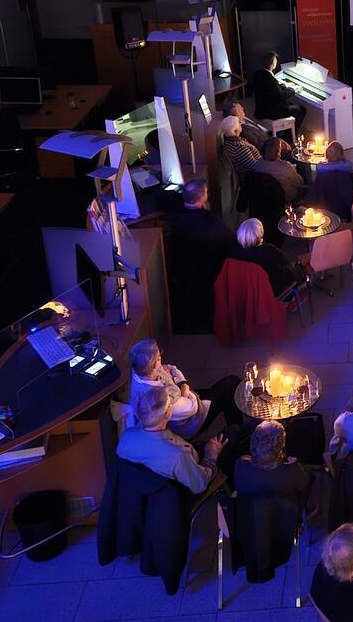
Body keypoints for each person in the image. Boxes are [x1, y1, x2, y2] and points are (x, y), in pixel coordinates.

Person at [128, 338, 242, 440]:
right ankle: (237, 433)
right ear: (154, 364)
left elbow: (172, 368)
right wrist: (184, 387)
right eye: (159, 357)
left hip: (187, 398)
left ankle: (235, 428)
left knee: (229, 386)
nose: (161, 358)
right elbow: (192, 407)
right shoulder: (159, 399)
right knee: (231, 386)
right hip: (192, 420)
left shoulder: (141, 370)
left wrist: (183, 384)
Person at [117, 386, 222, 494]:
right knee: (232, 433)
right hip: (189, 483)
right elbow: (200, 484)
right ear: (167, 413)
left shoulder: (126, 436)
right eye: (170, 403)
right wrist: (211, 456)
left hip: (145, 487)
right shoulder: (178, 455)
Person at [168, 179, 235, 332]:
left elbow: (166, 197)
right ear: (202, 198)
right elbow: (230, 242)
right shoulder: (212, 222)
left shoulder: (175, 214)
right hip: (208, 271)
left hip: (183, 270)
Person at [233, 419, 313, 511]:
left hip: (250, 516)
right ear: (281, 446)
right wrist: (295, 465)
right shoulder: (291, 470)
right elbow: (305, 485)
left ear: (253, 441)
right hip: (284, 518)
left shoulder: (240, 465)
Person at [231, 217, 302, 296]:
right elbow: (287, 261)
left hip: (250, 292)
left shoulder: (236, 253)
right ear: (260, 234)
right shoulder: (269, 250)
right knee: (299, 268)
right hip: (273, 291)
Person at [250, 51, 306, 128]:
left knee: (291, 105)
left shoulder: (259, 74)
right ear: (272, 63)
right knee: (301, 110)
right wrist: (293, 89)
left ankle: (284, 131)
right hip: (271, 112)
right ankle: (289, 136)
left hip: (262, 109)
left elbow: (272, 89)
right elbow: (281, 96)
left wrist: (284, 85)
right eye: (275, 60)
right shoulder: (270, 79)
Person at [254, 136, 305, 203]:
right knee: (303, 166)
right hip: (287, 199)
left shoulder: (257, 165)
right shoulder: (286, 167)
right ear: (278, 151)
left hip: (266, 199)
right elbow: (299, 183)